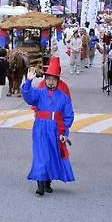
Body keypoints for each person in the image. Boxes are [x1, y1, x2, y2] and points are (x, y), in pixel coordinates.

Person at [22, 57, 75, 196]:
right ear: (45, 80)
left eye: (53, 79)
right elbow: (28, 97)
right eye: (48, 79)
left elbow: (68, 116)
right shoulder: (39, 93)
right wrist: (28, 81)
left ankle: (47, 181)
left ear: (58, 81)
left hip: (56, 129)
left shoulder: (63, 97)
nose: (50, 82)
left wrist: (64, 133)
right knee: (41, 154)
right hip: (40, 128)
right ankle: (40, 183)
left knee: (52, 154)